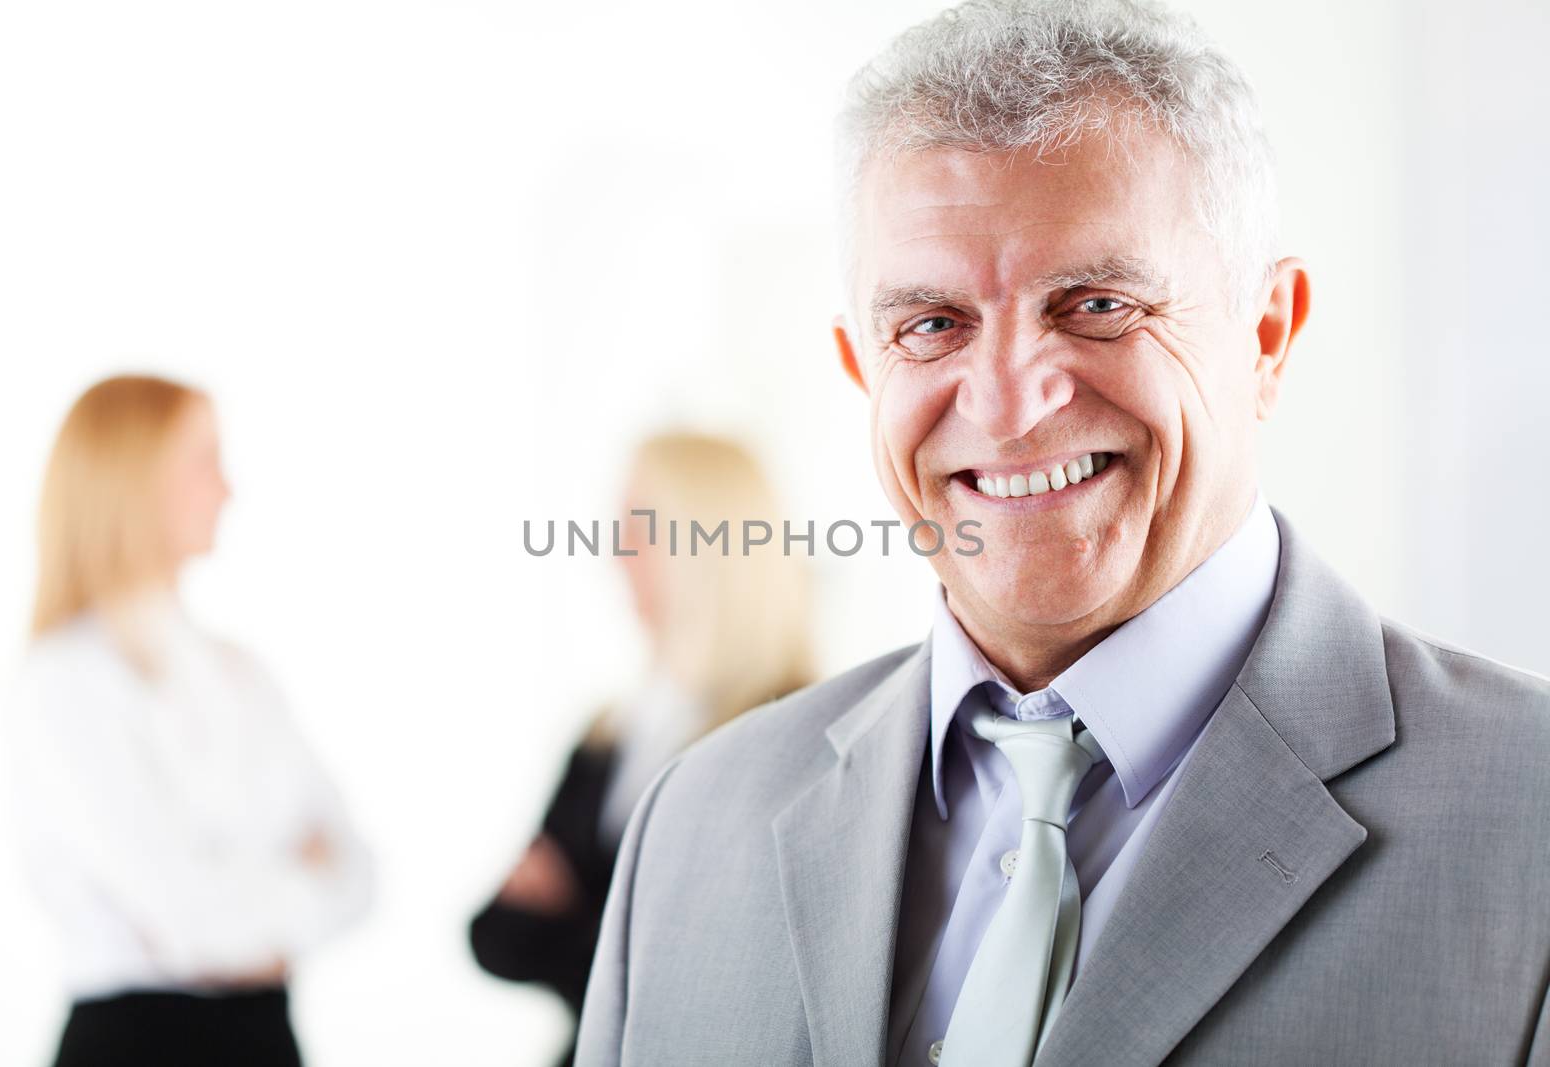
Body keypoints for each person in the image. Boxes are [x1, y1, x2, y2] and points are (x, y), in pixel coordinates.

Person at [573, 2, 1550, 1065]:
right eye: (932, 324)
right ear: (865, 365)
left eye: (1095, 304)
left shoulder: (1526, 820)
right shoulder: (695, 824)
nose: (1005, 403)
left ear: (1266, 334)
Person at [4, 375, 373, 1067]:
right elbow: (185, 917)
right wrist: (291, 883)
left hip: (265, 1040)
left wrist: (233, 901)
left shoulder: (242, 671)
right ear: (133, 479)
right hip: (135, 1044)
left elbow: (359, 871)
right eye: (203, 461)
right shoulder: (65, 681)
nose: (227, 490)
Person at [470, 430, 817, 1067]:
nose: (614, 555)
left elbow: (729, 983)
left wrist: (568, 917)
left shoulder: (795, 736)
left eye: (640, 529)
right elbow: (494, 936)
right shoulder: (610, 731)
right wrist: (613, 939)